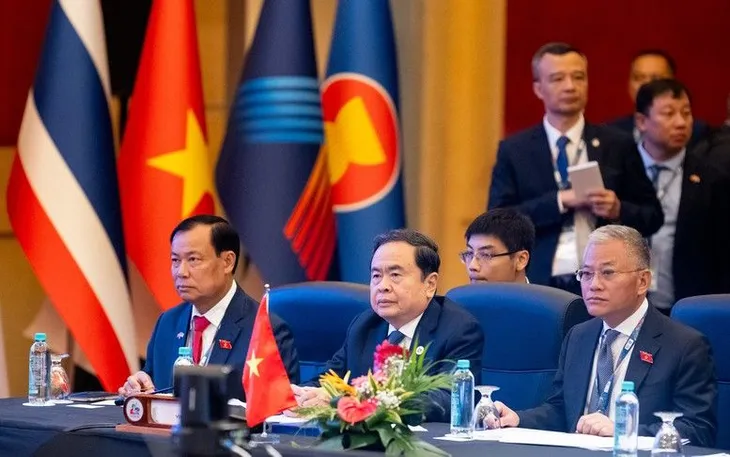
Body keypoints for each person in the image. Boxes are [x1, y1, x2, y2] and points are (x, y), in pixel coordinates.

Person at [494, 225, 717, 447]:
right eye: (586, 273)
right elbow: (561, 410)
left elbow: (698, 430)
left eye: (607, 273)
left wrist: (622, 430)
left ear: (642, 281)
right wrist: (518, 419)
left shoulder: (684, 345)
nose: (594, 285)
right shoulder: (578, 336)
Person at [489, 42, 663, 295]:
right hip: (538, 279)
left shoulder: (617, 144)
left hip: (604, 281)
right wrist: (561, 201)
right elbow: (497, 222)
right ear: (538, 88)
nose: (570, 86)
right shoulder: (515, 150)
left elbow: (652, 215)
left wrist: (618, 209)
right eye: (558, 78)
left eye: (578, 77)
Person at [292, 229, 484, 422]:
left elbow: (449, 400)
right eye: (376, 275)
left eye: (395, 275)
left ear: (430, 284)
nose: (382, 286)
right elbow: (329, 379)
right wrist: (305, 394)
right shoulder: (365, 325)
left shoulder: (458, 329)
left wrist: (350, 401)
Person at [118, 215, 300, 399]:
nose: (181, 272)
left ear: (227, 262)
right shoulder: (167, 322)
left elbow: (282, 407)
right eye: (175, 260)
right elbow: (151, 382)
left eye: (193, 259)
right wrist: (139, 385)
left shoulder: (266, 329)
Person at [633, 78, 730, 313]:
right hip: (624, 304)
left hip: (684, 304)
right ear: (642, 121)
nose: (680, 123)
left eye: (686, 113)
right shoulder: (618, 170)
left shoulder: (711, 179)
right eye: (669, 114)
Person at [609, 50, 709, 148]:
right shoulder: (610, 133)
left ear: (672, 83)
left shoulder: (699, 135)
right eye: (638, 78)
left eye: (656, 79)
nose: (646, 84)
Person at [461, 208, 535, 284]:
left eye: (486, 255)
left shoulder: (541, 292)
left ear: (521, 260)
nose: (472, 266)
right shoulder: (457, 292)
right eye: (469, 254)